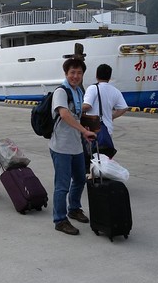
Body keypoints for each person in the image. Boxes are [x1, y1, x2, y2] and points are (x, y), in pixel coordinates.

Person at [50, 58, 96, 235]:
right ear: (66, 74)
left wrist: (89, 129)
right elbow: (64, 114)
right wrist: (84, 132)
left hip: (76, 145)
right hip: (61, 146)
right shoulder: (61, 92)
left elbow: (77, 116)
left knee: (79, 179)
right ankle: (60, 219)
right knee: (62, 186)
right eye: (72, 73)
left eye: (79, 73)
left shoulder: (77, 91)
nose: (75, 76)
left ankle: (74, 208)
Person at [82, 64, 128, 137]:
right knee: (105, 148)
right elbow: (124, 108)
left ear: (96, 76)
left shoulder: (93, 88)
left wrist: (74, 107)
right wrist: (112, 116)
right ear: (109, 77)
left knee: (92, 148)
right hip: (107, 130)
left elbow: (87, 106)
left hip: (93, 129)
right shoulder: (115, 91)